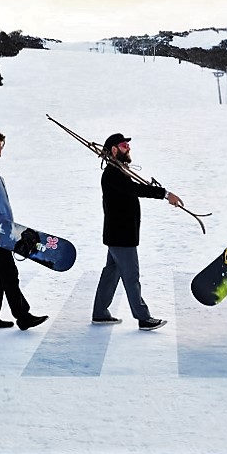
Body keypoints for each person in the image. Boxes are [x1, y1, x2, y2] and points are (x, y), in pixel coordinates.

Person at [92, 133, 181, 331]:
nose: (128, 148)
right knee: (131, 277)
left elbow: (133, 188)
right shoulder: (112, 174)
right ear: (114, 150)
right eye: (124, 145)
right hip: (121, 236)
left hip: (119, 235)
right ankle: (143, 317)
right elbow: (135, 190)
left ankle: (100, 313)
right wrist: (164, 194)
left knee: (111, 273)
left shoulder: (119, 171)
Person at [0, 131, 48, 331]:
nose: (0, 147)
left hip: (1, 230)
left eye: (1, 144)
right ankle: (23, 316)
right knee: (8, 273)